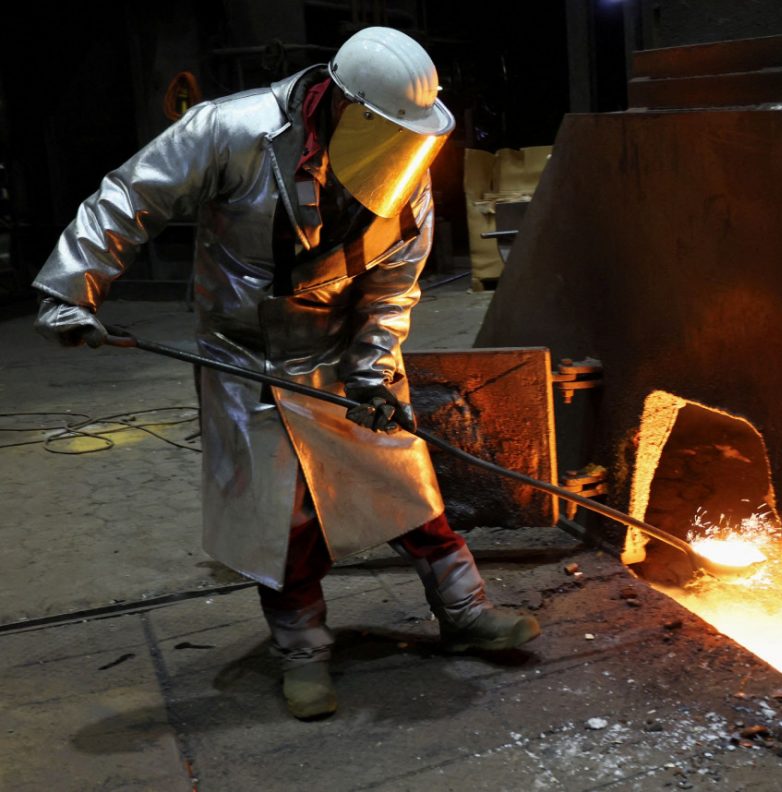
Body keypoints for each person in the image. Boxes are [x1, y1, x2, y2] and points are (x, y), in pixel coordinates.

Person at [31, 27, 540, 720]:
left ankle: (466, 611)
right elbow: (129, 195)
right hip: (248, 355)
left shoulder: (404, 174)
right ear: (348, 107)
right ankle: (302, 651)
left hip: (342, 348)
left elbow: (392, 290)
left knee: (406, 482)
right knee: (284, 515)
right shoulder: (230, 130)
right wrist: (72, 288)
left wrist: (370, 372)